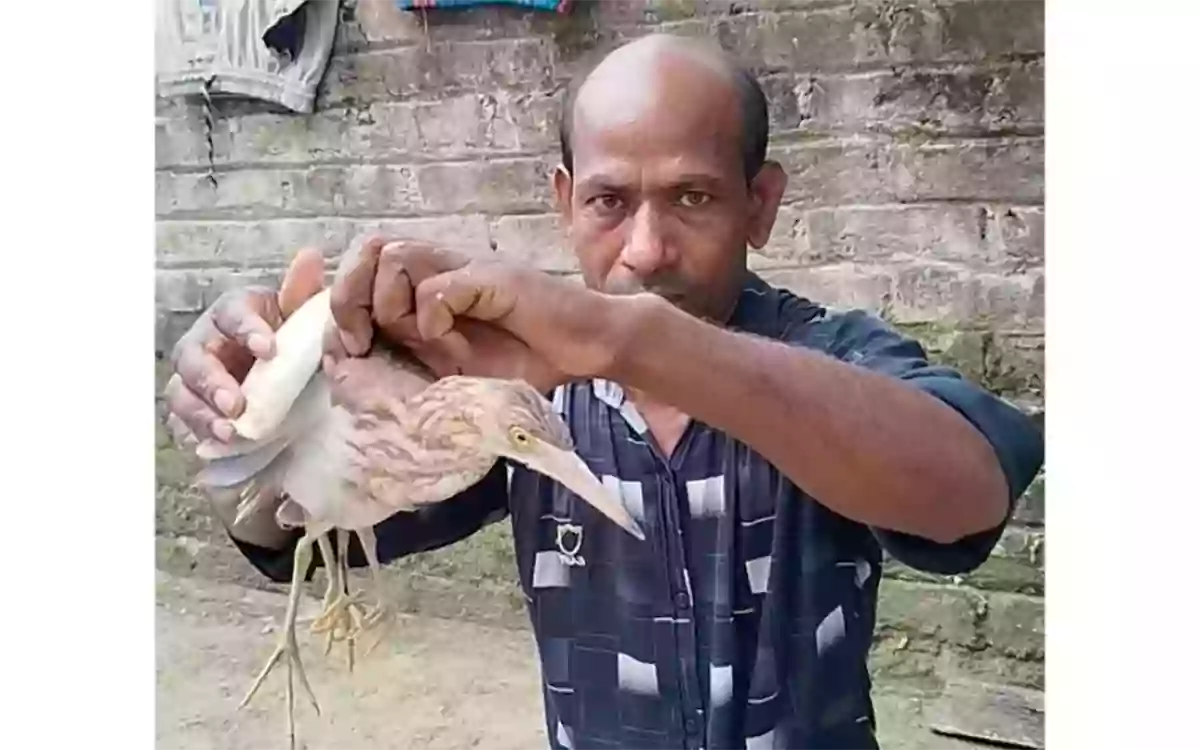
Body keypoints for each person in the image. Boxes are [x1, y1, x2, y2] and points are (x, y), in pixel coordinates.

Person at [164, 33, 1044, 750]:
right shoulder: (506, 395)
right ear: (564, 201)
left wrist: (627, 341)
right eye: (609, 202)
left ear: (761, 204)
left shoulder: (831, 358)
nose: (647, 249)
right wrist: (256, 410)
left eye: (692, 197)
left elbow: (968, 494)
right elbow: (290, 531)